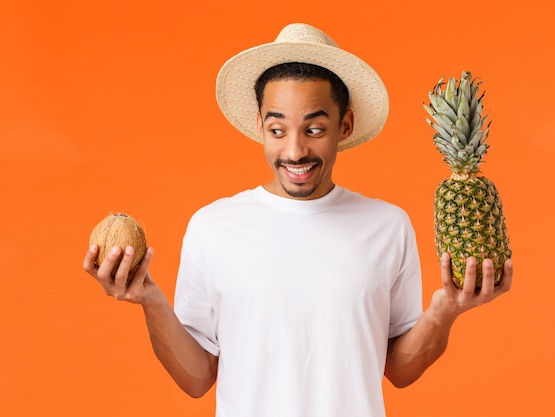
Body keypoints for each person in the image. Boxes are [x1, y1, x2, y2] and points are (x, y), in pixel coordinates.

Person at [83, 23, 513, 417]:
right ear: (259, 127)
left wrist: (443, 313)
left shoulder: (387, 225)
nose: (294, 151)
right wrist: (150, 300)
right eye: (277, 130)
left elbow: (399, 371)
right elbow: (197, 379)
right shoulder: (213, 227)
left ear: (344, 126)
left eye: (313, 129)